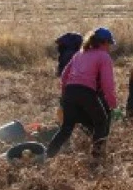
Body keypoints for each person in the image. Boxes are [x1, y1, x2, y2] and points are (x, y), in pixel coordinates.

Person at [45, 27, 117, 159]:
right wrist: (112, 103)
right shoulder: (104, 56)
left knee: (66, 128)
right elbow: (108, 83)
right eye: (109, 44)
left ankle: (47, 155)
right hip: (87, 92)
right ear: (104, 43)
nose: (109, 47)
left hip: (70, 92)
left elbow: (64, 76)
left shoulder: (79, 54)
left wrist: (64, 96)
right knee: (101, 122)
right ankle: (98, 158)